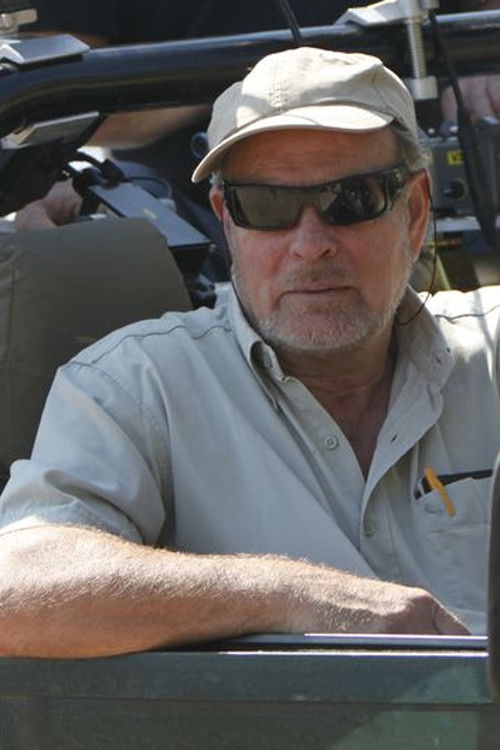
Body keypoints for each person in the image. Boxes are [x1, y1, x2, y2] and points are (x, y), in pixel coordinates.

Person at [3, 45, 499, 659]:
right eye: (266, 206)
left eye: (353, 199)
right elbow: (17, 588)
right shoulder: (136, 386)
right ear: (226, 220)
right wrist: (296, 597)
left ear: (416, 212)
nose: (310, 244)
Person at [16, 0, 500, 236]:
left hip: (433, 183)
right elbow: (61, 97)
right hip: (203, 212)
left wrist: (483, 64)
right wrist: (276, 76)